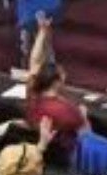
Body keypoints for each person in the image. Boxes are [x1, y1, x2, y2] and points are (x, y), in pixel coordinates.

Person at [23, 17, 87, 161]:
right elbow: (86, 135)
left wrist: (42, 31)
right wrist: (83, 115)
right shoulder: (65, 109)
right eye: (63, 76)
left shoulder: (32, 95)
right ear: (56, 82)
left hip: (46, 150)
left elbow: (34, 61)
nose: (66, 77)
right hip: (67, 156)